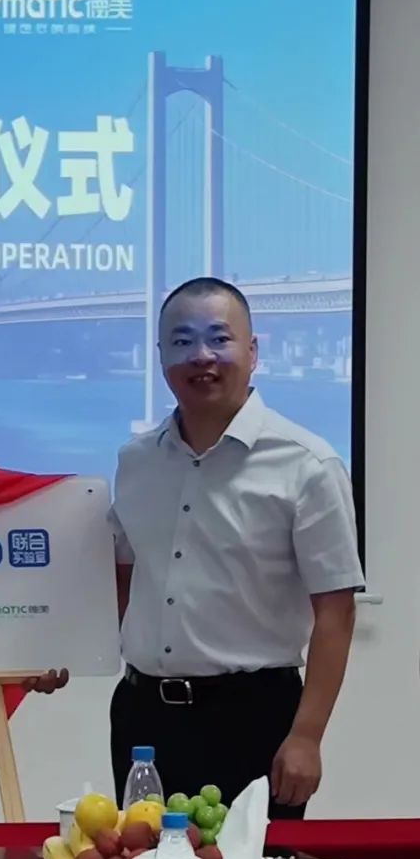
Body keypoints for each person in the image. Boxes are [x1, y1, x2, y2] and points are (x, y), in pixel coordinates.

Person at [108, 277, 363, 819]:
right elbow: (121, 578)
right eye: (182, 341)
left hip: (253, 720)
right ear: (161, 356)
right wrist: (54, 651)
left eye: (219, 338)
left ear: (253, 351)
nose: (201, 356)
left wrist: (307, 736)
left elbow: (336, 612)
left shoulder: (307, 464)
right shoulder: (136, 460)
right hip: (143, 717)